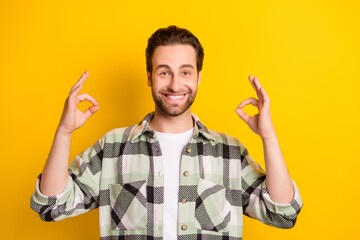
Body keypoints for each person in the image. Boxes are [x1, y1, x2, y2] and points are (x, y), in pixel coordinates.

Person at [30, 25, 303, 240]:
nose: (175, 84)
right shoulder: (113, 147)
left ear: (198, 78)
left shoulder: (229, 153)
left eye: (185, 72)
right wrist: (64, 132)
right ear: (149, 77)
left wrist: (268, 137)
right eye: (164, 72)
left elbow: (282, 214)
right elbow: (51, 206)